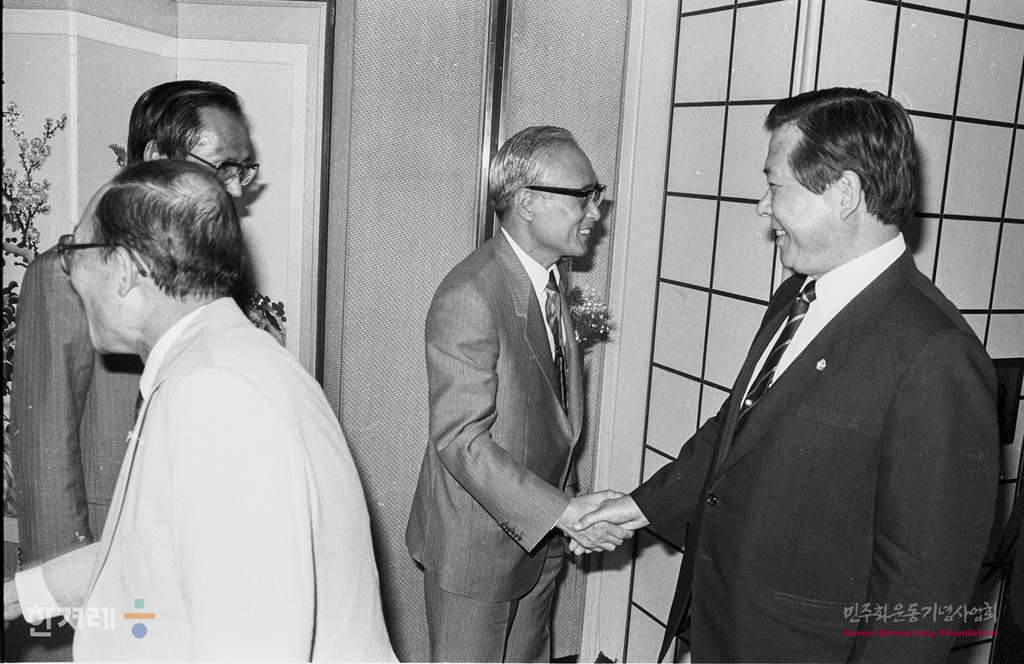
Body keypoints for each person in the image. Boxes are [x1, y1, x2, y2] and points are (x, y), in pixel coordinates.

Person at [579, 88, 999, 662]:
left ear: (844, 193)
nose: (762, 206)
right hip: (723, 631)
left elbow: (923, 593)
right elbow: (736, 433)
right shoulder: (796, 296)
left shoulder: (936, 354)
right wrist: (641, 507)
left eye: (775, 185)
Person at [4, 160, 395, 660]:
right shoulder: (225, 362)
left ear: (122, 271)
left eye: (73, 252)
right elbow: (165, 546)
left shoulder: (215, 395)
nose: (69, 273)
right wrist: (20, 597)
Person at [406, 125, 629, 661]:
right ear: (527, 202)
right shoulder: (471, 293)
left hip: (540, 540)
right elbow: (461, 440)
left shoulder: (549, 281)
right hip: (475, 550)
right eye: (583, 196)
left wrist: (567, 514)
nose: (595, 213)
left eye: (596, 196)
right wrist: (564, 513)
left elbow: (555, 423)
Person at [11, 79, 257, 565]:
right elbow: (44, 459)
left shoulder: (208, 271)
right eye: (222, 167)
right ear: (155, 157)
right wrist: (69, 591)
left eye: (244, 170)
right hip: (106, 552)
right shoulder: (62, 276)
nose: (235, 190)